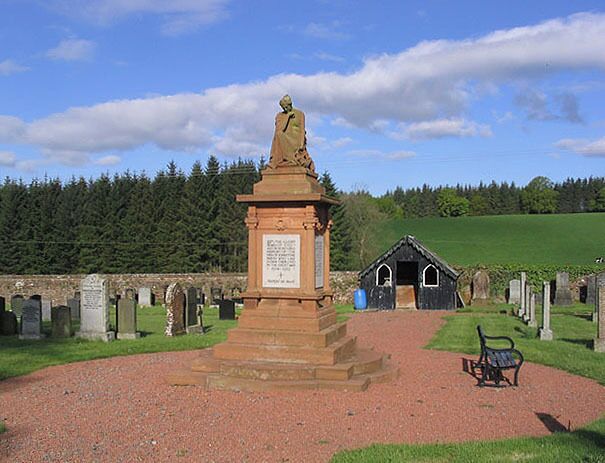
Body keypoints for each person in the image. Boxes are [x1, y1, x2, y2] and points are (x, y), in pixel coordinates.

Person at [268, 95, 315, 172]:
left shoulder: (300, 114)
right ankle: (284, 160)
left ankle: (292, 159)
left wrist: (301, 144)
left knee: (279, 135)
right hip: (284, 139)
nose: (285, 109)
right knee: (279, 134)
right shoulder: (280, 115)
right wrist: (287, 117)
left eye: (286, 107)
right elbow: (279, 129)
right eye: (283, 108)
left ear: (290, 104)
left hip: (296, 141)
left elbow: (302, 130)